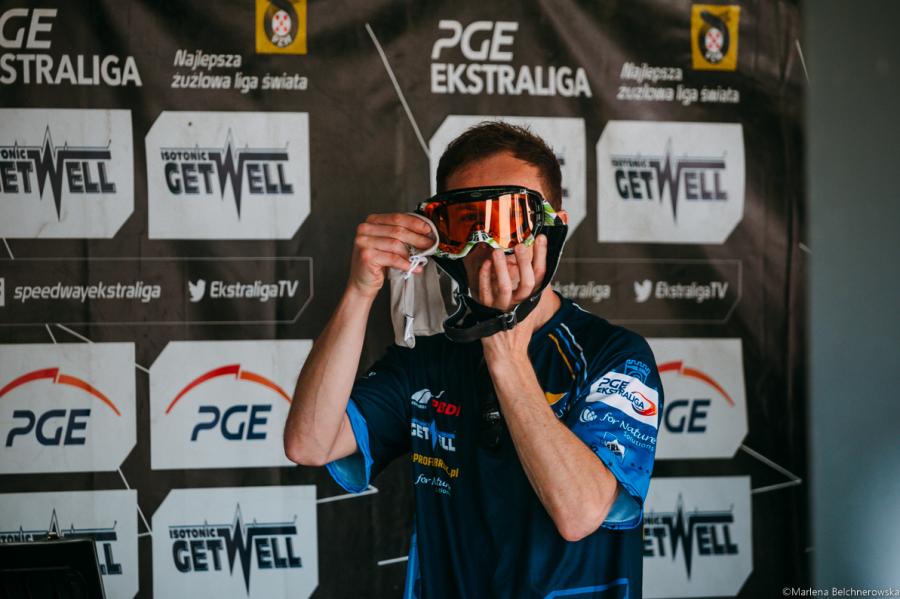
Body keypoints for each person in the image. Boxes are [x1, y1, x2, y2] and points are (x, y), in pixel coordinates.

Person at [284, 122, 663, 598]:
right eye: (467, 222)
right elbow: (309, 443)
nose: (490, 245)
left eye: (510, 220)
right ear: (444, 239)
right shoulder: (428, 358)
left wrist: (503, 347)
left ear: (551, 230)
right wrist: (361, 290)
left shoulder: (614, 356)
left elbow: (580, 513)